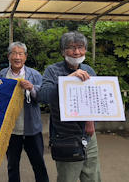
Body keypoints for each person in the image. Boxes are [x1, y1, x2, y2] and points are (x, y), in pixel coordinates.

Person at [37, 31, 101, 182]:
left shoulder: (89, 70)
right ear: (63, 51)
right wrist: (66, 81)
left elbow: (94, 99)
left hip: (88, 134)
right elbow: (43, 96)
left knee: (93, 176)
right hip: (64, 136)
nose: (77, 52)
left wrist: (90, 122)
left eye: (80, 47)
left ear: (85, 49)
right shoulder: (52, 70)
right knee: (67, 178)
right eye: (71, 47)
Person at [0, 42, 49, 182]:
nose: (17, 57)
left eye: (20, 54)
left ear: (25, 57)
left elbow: (43, 97)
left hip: (32, 129)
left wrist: (32, 88)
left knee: (38, 163)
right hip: (11, 130)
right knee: (12, 165)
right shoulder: (3, 74)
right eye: (14, 53)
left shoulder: (34, 75)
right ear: (8, 56)